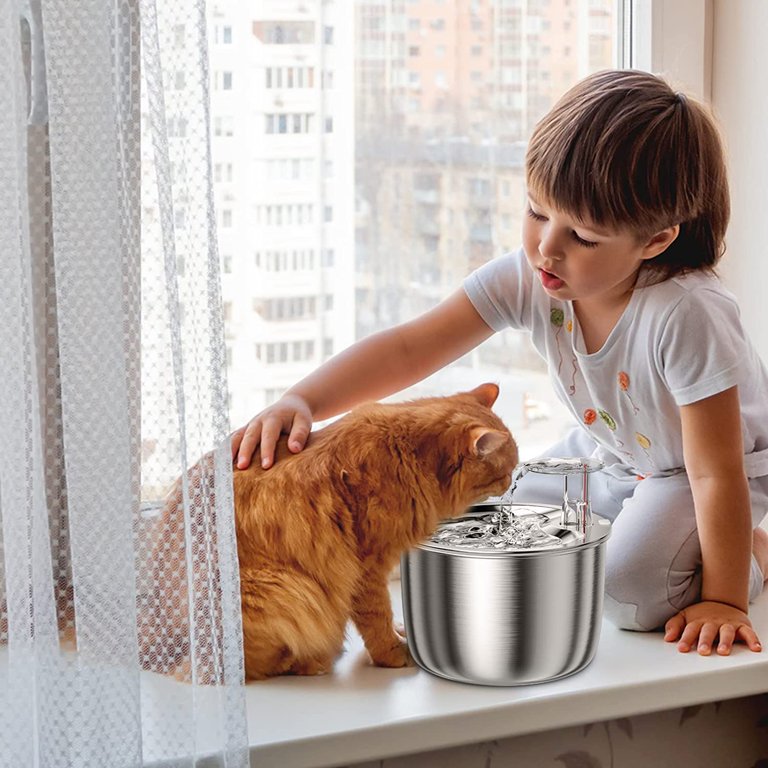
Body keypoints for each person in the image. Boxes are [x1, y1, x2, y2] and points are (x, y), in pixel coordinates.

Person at [232, 69, 768, 656]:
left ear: (656, 241)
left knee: (625, 594)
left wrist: (723, 600)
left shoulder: (688, 313)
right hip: (613, 457)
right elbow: (412, 346)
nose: (546, 247)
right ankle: (640, 531)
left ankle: (754, 556)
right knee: (491, 521)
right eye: (536, 212)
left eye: (583, 237)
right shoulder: (532, 273)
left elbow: (717, 472)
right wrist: (302, 400)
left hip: (700, 476)